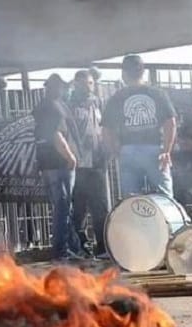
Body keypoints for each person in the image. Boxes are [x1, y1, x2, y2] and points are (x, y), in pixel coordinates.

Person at [103, 55, 177, 198]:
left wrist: (116, 151)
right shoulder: (157, 94)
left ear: (123, 73)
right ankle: (169, 219)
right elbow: (170, 123)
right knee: (165, 197)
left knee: (132, 201)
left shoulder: (117, 97)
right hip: (155, 149)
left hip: (128, 150)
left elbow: (106, 130)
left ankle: (136, 219)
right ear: (143, 72)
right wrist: (167, 150)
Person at [32, 74, 82, 261]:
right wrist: (69, 155)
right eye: (63, 87)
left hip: (48, 163)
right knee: (63, 207)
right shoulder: (54, 108)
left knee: (62, 207)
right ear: (58, 88)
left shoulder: (44, 107)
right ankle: (61, 251)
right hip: (59, 163)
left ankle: (73, 247)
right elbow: (56, 135)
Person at [68, 69, 109, 257]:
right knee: (79, 210)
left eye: (91, 83)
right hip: (78, 166)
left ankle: (102, 246)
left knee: (100, 207)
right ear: (75, 84)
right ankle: (80, 246)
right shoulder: (69, 106)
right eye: (84, 83)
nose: (88, 87)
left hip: (97, 164)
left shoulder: (98, 104)